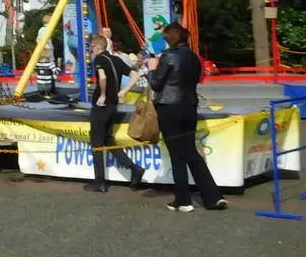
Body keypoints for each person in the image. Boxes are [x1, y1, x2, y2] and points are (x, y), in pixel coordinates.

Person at [140, 22, 226, 212]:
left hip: (169, 107)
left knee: (176, 154)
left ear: (170, 38)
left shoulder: (169, 56)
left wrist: (151, 69)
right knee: (190, 151)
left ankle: (183, 199)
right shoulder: (194, 57)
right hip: (189, 105)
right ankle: (213, 196)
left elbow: (156, 84)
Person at [85, 33, 145, 193]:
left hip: (102, 105)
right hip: (113, 106)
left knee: (96, 143)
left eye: (91, 48)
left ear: (98, 47)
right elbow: (135, 74)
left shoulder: (99, 60)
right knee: (108, 140)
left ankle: (100, 182)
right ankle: (133, 168)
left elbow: (102, 77)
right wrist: (123, 92)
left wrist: (103, 95)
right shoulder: (117, 60)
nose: (91, 51)